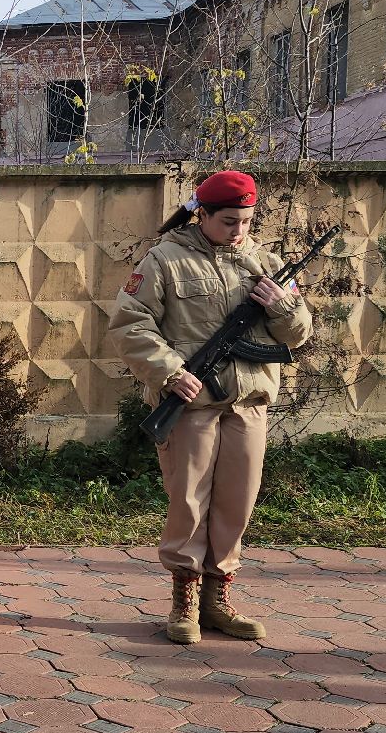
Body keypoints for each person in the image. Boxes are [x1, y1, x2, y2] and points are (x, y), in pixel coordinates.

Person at [106, 170, 314, 645]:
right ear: (203, 214)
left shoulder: (266, 263)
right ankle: (185, 598)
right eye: (228, 221)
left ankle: (218, 599)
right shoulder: (165, 261)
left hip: (249, 402)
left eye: (245, 221)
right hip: (192, 403)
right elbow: (129, 325)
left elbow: (298, 333)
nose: (238, 230)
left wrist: (282, 306)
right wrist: (169, 371)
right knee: (189, 501)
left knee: (237, 502)